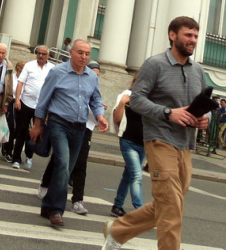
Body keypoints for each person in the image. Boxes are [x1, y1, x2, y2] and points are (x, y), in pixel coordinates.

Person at [103, 16, 209, 250]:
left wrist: (204, 119)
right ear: (173, 35)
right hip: (159, 140)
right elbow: (135, 100)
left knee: (169, 203)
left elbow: (201, 102)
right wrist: (168, 112)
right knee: (171, 206)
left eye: (195, 36)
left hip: (186, 144)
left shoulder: (198, 70)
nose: (193, 40)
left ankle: (118, 230)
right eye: (188, 35)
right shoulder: (155, 64)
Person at [31, 40, 107, 227]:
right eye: (80, 53)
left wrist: (100, 116)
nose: (84, 57)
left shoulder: (91, 77)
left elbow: (96, 99)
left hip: (80, 127)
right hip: (58, 123)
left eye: (87, 54)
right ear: (71, 53)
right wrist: (38, 123)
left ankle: (47, 205)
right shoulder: (58, 72)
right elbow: (44, 99)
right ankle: (56, 210)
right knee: (63, 164)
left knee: (67, 169)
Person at [11, 45, 53, 169]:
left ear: (48, 56)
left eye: (44, 54)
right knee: (21, 131)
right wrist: (17, 99)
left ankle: (29, 156)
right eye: (39, 53)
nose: (41, 55)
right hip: (26, 102)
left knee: (35, 132)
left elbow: (53, 88)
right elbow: (20, 83)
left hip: (41, 106)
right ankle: (16, 158)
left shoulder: (52, 68)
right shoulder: (29, 65)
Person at [110, 72, 145, 217]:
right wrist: (123, 103)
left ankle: (117, 205)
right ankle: (140, 211)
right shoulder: (126, 95)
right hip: (128, 141)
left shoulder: (150, 99)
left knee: (128, 175)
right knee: (137, 175)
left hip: (143, 144)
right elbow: (116, 119)